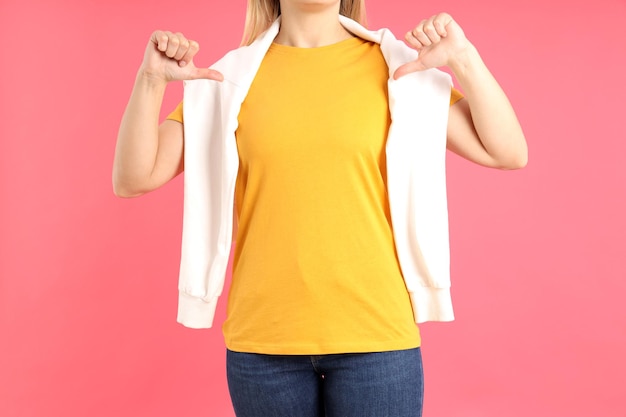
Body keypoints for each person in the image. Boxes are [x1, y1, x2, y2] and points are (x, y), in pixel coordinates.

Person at [113, 0, 527, 416]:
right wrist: (150, 80)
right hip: (263, 345)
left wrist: (463, 58)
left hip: (378, 340)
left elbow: (507, 152)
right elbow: (133, 178)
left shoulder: (398, 69)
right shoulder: (229, 80)